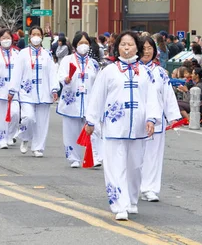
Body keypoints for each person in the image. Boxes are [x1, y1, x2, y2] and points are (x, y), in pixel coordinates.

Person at [84, 31, 161, 221]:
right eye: (123, 44)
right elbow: (97, 96)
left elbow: (152, 98)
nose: (127, 48)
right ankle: (119, 204)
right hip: (114, 127)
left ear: (137, 47)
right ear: (117, 47)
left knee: (135, 166)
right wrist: (91, 120)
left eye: (131, 44)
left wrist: (151, 118)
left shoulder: (145, 72)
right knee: (115, 166)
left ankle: (132, 200)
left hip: (138, 128)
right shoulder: (108, 71)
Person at [139, 36, 180, 203]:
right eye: (144, 48)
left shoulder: (160, 72)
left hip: (156, 121)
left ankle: (150, 188)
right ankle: (134, 186)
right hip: (135, 121)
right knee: (135, 156)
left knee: (153, 155)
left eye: (150, 48)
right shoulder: (129, 70)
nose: (147, 51)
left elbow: (168, 95)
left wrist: (173, 118)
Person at [10, 26, 59, 158]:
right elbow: (17, 73)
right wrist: (13, 89)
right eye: (34, 34)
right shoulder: (23, 53)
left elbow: (52, 73)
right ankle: (25, 137)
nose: (36, 37)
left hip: (44, 92)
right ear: (30, 37)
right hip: (26, 92)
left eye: (38, 34)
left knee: (42, 122)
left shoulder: (47, 54)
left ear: (42, 37)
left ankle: (38, 148)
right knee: (29, 118)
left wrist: (54, 89)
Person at [56, 31, 100, 168]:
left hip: (89, 101)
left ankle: (95, 156)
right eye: (81, 43)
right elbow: (60, 76)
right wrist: (66, 80)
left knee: (94, 129)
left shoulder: (93, 63)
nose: (84, 45)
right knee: (71, 131)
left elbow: (98, 82)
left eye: (86, 43)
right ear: (75, 45)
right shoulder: (67, 60)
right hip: (71, 101)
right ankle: (74, 158)